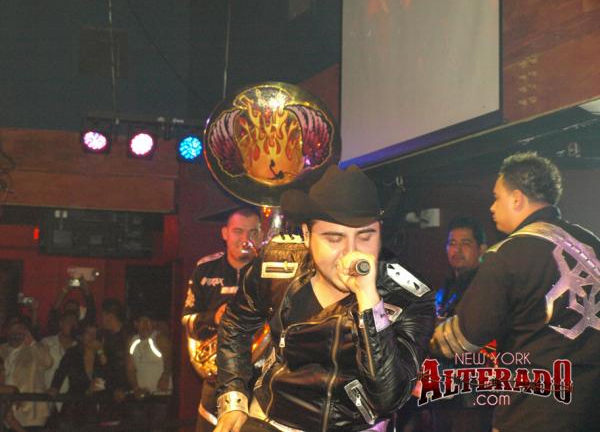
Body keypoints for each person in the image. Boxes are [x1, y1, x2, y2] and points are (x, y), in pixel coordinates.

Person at [214, 165, 435, 432]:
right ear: (307, 236)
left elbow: (388, 396)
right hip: (274, 420)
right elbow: (236, 322)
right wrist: (233, 399)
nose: (351, 253)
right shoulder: (278, 265)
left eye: (365, 237)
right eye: (334, 238)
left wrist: (369, 299)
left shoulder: (407, 296)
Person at [431, 151, 600, 431]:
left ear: (517, 199)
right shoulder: (592, 243)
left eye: (497, 197)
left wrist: (422, 336)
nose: (492, 207)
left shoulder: (508, 254)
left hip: (532, 414)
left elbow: (466, 335)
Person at [182, 207, 261, 432]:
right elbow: (187, 320)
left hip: (262, 379)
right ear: (225, 233)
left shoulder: (271, 271)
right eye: (238, 231)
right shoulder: (205, 269)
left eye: (253, 232)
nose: (246, 239)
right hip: (217, 376)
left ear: (262, 235)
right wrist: (214, 317)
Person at [428, 216, 493, 432]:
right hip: (444, 388)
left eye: (465, 243)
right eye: (452, 243)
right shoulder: (446, 287)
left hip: (474, 392)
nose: (457, 250)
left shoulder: (487, 286)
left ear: (481, 248)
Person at [48, 322, 108, 429]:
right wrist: (54, 388)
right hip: (75, 403)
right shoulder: (72, 353)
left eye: (95, 333)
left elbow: (108, 372)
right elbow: (61, 372)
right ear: (81, 336)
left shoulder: (101, 354)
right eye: (88, 333)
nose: (92, 337)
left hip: (94, 405)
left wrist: (100, 351)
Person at [0, 316, 53, 430]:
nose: (16, 333)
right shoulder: (2, 349)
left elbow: (48, 362)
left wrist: (32, 342)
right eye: (12, 329)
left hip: (31, 411)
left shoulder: (34, 348)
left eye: (20, 329)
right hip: (6, 410)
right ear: (7, 331)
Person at [126, 310, 172, 430]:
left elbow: (170, 359)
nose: (146, 325)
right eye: (142, 322)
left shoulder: (159, 338)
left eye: (149, 321)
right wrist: (135, 387)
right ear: (136, 324)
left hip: (160, 394)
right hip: (142, 395)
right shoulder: (133, 342)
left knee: (157, 427)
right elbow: (130, 368)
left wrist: (165, 377)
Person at [41, 311, 78, 419]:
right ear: (60, 323)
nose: (72, 325)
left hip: (70, 402)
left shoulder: (79, 347)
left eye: (74, 323)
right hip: (48, 398)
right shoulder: (47, 342)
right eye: (69, 322)